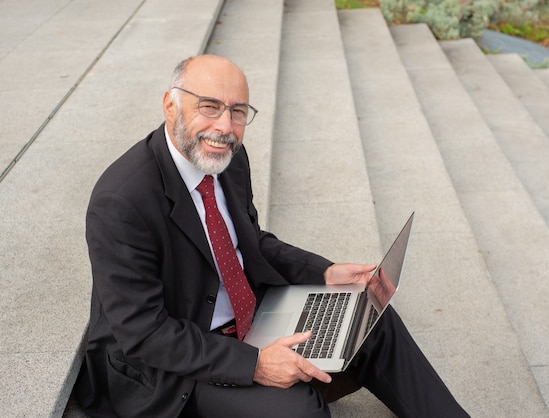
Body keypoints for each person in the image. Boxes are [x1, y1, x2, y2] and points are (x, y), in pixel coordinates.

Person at [74, 54, 469, 418]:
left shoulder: (227, 157)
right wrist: (256, 364)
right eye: (209, 107)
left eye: (238, 111)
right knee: (298, 409)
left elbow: (250, 242)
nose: (225, 127)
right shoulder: (121, 201)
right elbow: (144, 333)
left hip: (247, 316)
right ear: (170, 104)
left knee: (369, 319)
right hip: (172, 363)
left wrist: (326, 272)